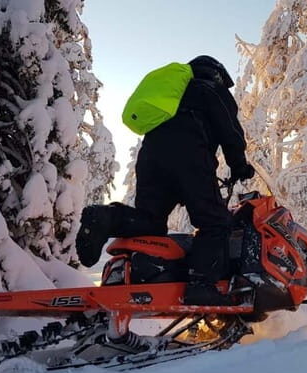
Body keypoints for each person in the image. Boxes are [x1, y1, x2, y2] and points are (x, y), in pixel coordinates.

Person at [75, 55, 254, 306]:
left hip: (151, 159)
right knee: (215, 222)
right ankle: (202, 284)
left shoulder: (174, 96)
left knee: (150, 222)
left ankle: (107, 218)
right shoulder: (210, 89)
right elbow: (230, 131)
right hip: (190, 156)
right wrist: (240, 166)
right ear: (216, 74)